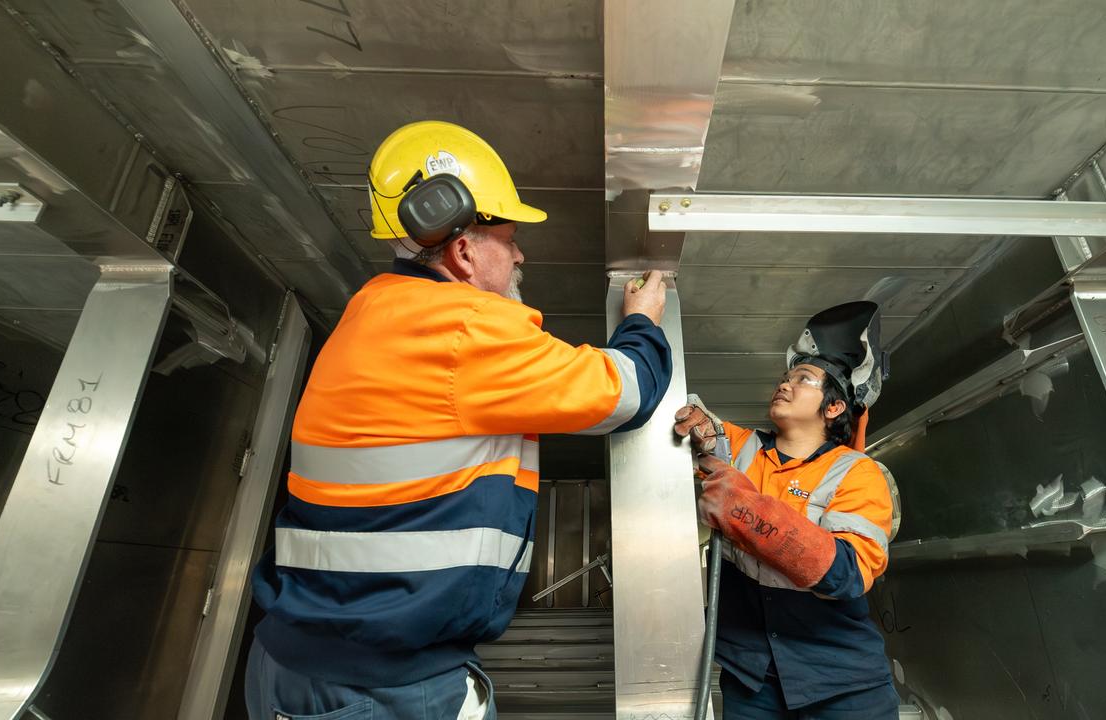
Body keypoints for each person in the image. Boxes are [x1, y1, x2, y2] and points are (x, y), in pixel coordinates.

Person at [245, 121, 671, 720]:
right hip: (382, 687)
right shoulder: (463, 326)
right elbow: (623, 394)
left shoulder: (371, 311)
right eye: (510, 239)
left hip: (297, 664)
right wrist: (643, 322)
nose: (520, 254)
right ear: (465, 251)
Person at [674, 301, 899, 719]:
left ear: (833, 408)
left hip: (842, 684)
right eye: (785, 376)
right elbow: (703, 426)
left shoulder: (856, 473)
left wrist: (744, 511)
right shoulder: (742, 448)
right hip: (751, 678)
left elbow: (846, 573)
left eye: (803, 379)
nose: (786, 384)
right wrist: (699, 423)